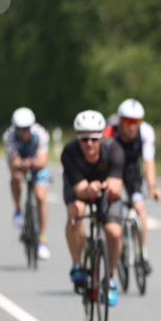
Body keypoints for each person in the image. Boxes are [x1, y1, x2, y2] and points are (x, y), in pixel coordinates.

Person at [62, 110, 126, 306]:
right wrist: (88, 189)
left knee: (114, 232)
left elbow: (116, 183)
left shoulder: (114, 149)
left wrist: (108, 187)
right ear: (78, 139)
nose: (89, 143)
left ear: (101, 137)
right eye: (84, 139)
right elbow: (79, 189)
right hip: (79, 187)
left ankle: (111, 278)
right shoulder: (69, 152)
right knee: (76, 212)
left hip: (106, 190)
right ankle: (77, 264)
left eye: (93, 138)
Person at [103, 98, 161, 273]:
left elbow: (148, 162)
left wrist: (152, 187)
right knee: (114, 205)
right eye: (127, 121)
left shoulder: (145, 133)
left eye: (135, 122)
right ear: (120, 120)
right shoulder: (109, 132)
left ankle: (141, 252)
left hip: (132, 171)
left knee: (139, 207)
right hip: (112, 169)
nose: (131, 126)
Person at [4, 107, 52, 259]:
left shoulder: (41, 134)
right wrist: (21, 164)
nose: (24, 132)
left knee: (40, 196)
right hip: (20, 163)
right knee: (16, 177)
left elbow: (42, 161)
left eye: (27, 129)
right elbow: (14, 161)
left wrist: (31, 163)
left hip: (37, 163)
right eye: (20, 129)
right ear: (15, 128)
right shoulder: (9, 136)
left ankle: (42, 240)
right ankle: (18, 209)